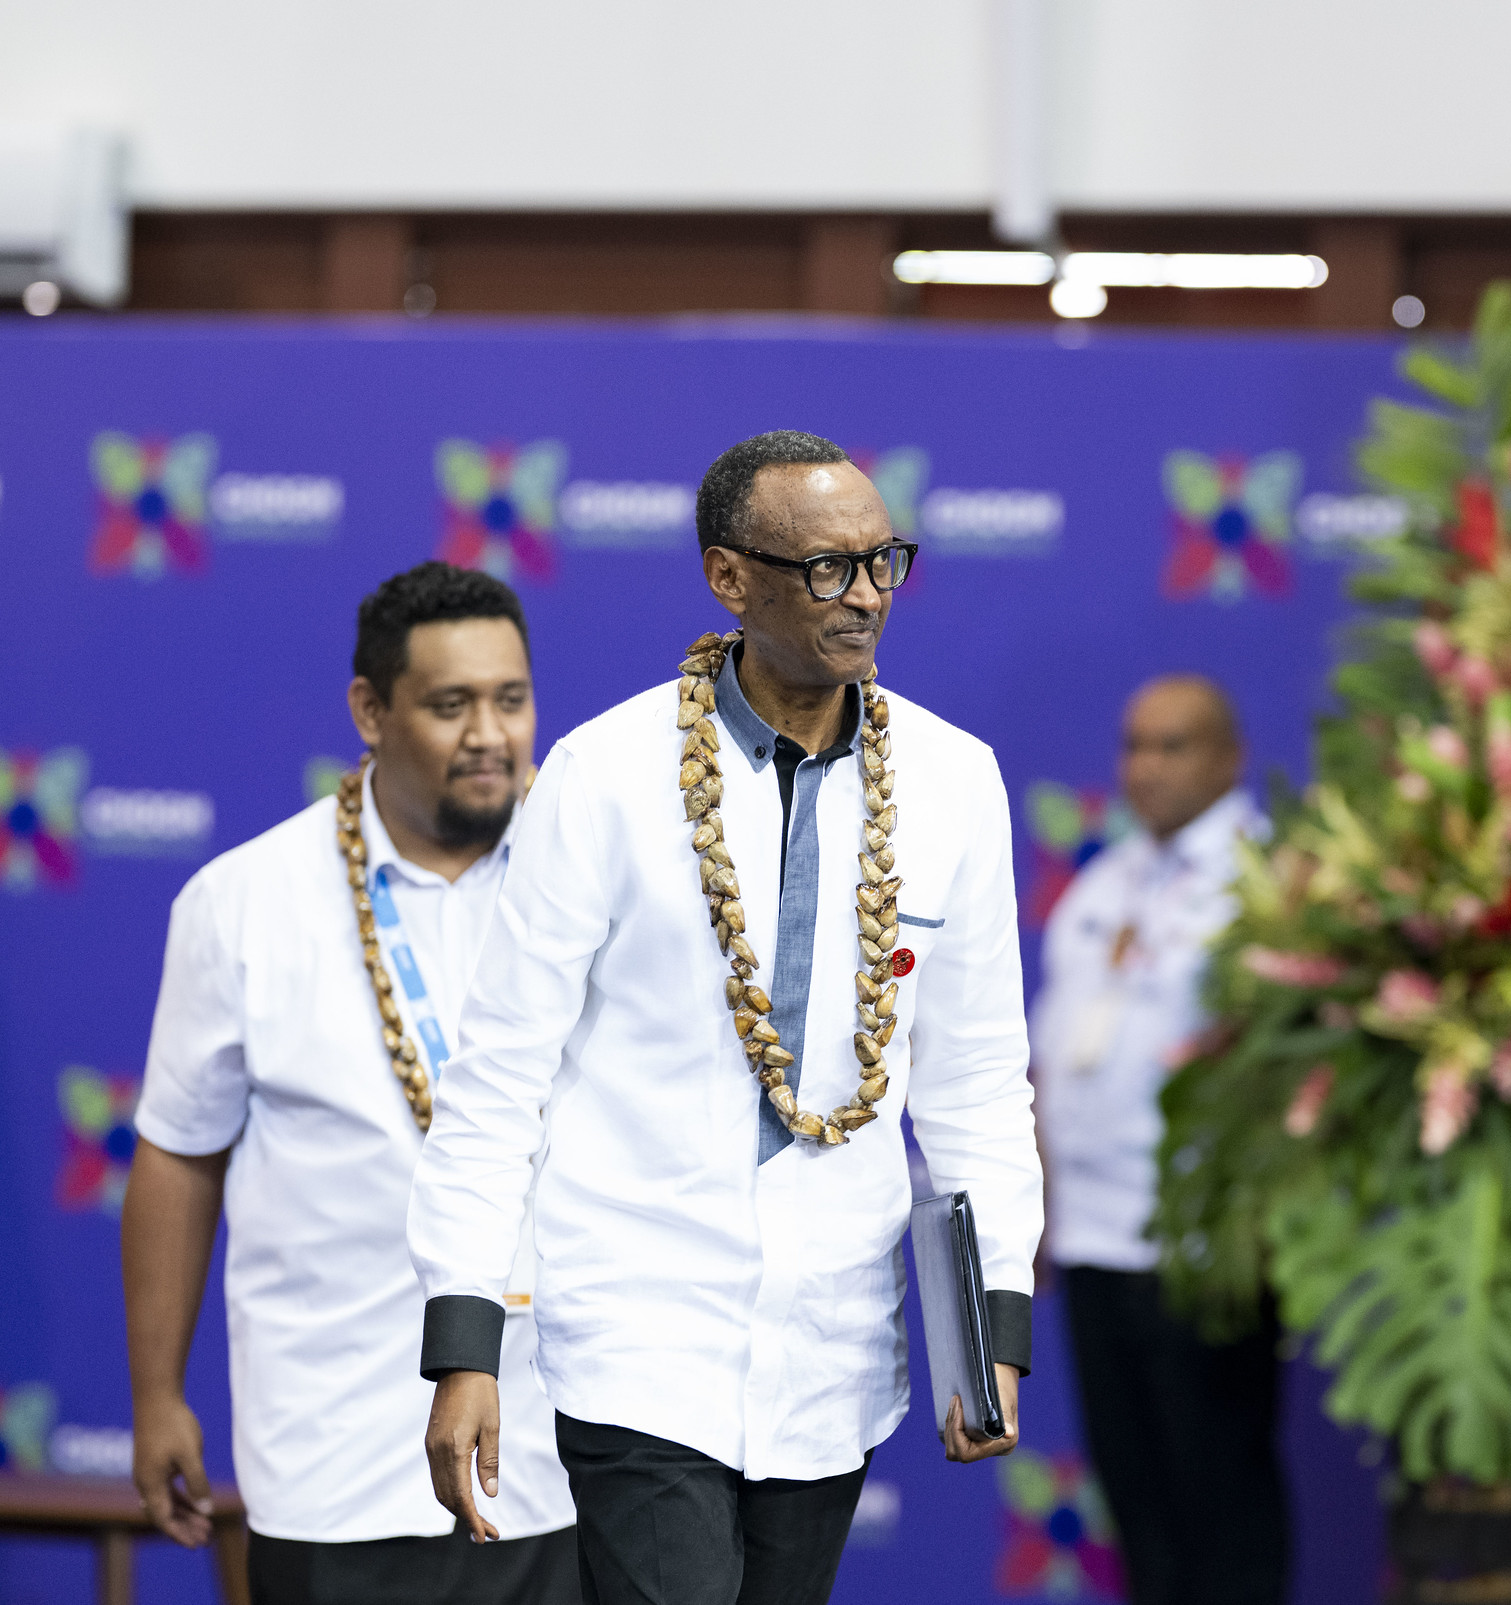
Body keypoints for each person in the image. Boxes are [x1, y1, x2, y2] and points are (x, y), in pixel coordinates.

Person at [406, 430, 1041, 1605]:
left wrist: (989, 1320)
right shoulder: (601, 776)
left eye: (881, 562)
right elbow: (499, 1081)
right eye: (825, 570)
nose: (863, 598)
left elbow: (976, 1083)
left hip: (836, 1345)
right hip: (637, 1335)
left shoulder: (957, 782)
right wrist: (464, 1343)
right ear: (728, 578)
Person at [122, 562, 578, 1605]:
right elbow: (177, 1157)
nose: (488, 735)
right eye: (450, 704)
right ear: (369, 712)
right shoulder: (242, 902)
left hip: (568, 1448)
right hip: (338, 1458)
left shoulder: (591, 882)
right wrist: (157, 1396)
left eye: (510, 701)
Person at [1031, 676, 1289, 1605]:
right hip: (1093, 1241)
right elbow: (1049, 1053)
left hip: (1200, 1248)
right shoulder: (1105, 883)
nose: (1145, 766)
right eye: (1134, 745)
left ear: (1230, 757)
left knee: (1222, 1505)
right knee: (1140, 1511)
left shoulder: (1271, 886)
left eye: (1173, 745)